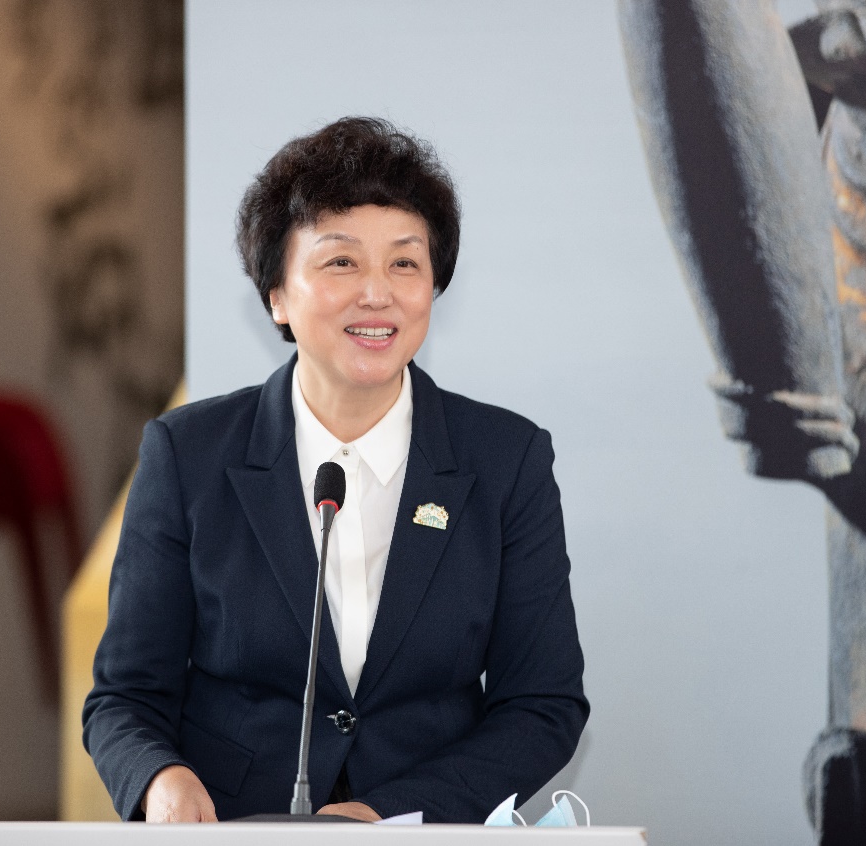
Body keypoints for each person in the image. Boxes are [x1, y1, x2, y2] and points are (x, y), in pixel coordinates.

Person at [83, 116, 588, 824]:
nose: (377, 294)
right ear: (276, 295)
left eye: (404, 264)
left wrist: (386, 814)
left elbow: (541, 704)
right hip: (238, 830)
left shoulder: (506, 459)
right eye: (341, 262)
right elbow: (125, 698)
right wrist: (159, 777)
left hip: (421, 832)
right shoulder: (187, 454)